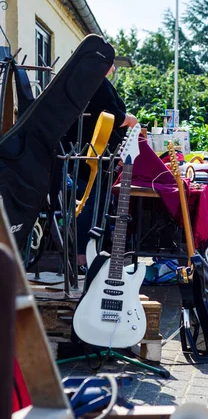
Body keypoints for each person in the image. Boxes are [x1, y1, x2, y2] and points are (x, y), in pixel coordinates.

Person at [63, 64, 138, 269]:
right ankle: (82, 257)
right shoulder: (97, 83)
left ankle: (91, 253)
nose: (114, 67)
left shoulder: (92, 81)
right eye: (111, 62)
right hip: (92, 155)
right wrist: (130, 119)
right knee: (90, 203)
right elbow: (111, 115)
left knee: (94, 202)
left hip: (95, 154)